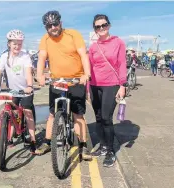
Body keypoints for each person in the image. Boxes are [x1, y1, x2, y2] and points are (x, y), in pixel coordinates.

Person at [36, 10, 92, 160]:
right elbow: (42, 58)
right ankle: (47, 142)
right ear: (46, 27)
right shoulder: (45, 39)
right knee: (53, 114)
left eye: (55, 24)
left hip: (76, 81)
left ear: (60, 23)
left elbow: (83, 55)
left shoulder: (73, 34)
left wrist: (86, 74)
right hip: (57, 81)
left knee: (77, 115)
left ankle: (83, 146)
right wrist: (39, 75)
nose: (53, 27)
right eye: (49, 25)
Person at [0, 29, 37, 154]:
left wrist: (30, 85)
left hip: (25, 90)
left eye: (20, 43)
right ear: (9, 44)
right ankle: (9, 137)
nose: (17, 46)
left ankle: (33, 141)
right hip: (12, 90)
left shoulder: (25, 56)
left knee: (28, 112)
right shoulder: (4, 56)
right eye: (15, 43)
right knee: (12, 112)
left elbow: (29, 72)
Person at [88, 14, 127, 167]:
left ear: (109, 25)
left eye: (104, 25)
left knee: (106, 117)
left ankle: (110, 150)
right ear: (95, 29)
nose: (101, 28)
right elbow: (90, 68)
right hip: (94, 85)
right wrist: (87, 89)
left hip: (111, 85)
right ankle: (103, 146)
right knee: (97, 117)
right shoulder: (93, 47)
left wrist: (122, 85)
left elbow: (122, 63)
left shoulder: (118, 42)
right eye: (98, 26)